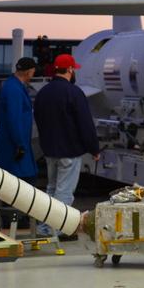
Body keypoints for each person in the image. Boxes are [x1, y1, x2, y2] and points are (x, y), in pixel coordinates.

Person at [33, 53, 99, 237]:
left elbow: (38, 120)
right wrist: (94, 148)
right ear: (69, 69)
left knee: (51, 189)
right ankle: (57, 229)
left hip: (49, 150)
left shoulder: (43, 93)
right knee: (64, 192)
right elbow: (85, 123)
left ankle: (44, 227)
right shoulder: (74, 93)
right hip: (69, 151)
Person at [0, 57, 37, 180]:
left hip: (13, 147)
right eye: (33, 71)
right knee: (21, 186)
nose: (33, 75)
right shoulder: (15, 89)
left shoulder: (12, 85)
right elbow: (14, 119)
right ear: (28, 72)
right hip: (15, 150)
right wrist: (20, 145)